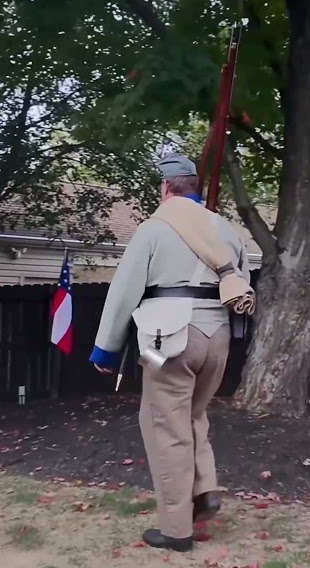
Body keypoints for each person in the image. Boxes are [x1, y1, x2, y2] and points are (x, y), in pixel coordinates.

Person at [89, 154, 251, 553]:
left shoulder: (154, 227)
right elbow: (241, 281)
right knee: (194, 416)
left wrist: (105, 349)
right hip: (218, 337)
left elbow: (125, 289)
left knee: (166, 427)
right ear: (193, 186)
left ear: (165, 187)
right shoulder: (226, 230)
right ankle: (205, 489)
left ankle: (177, 530)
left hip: (170, 338)